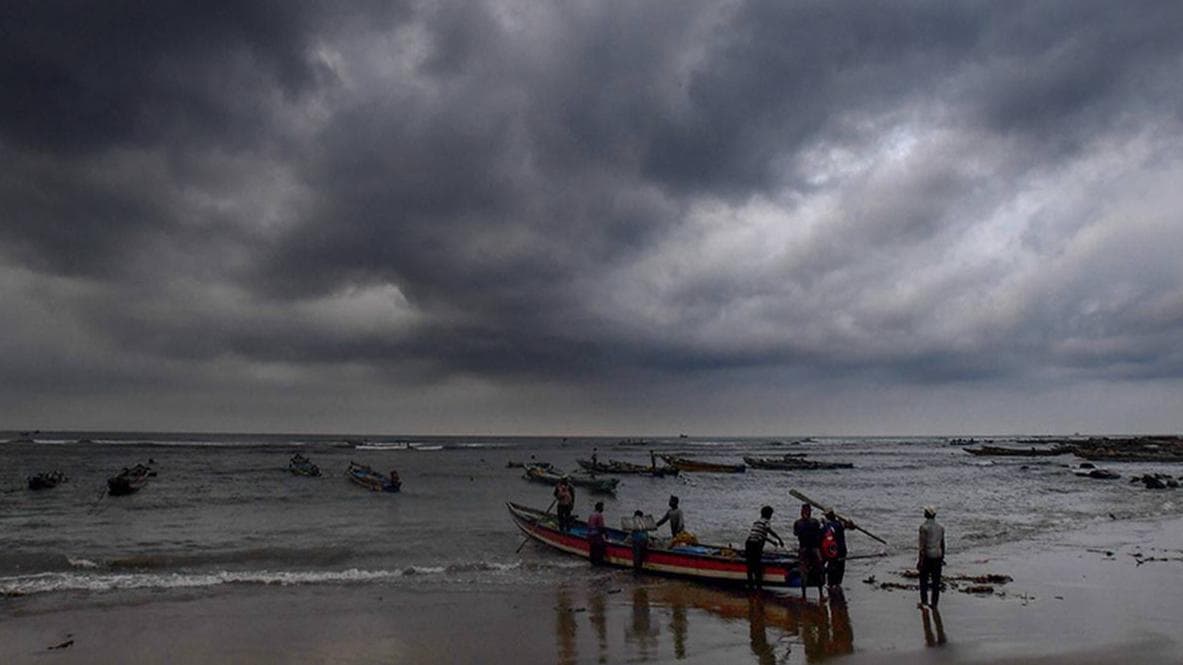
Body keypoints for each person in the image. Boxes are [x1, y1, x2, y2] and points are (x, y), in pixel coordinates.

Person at [745, 506, 784, 589]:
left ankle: (750, 584)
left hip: (749, 543)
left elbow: (762, 535)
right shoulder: (766, 522)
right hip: (755, 544)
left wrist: (772, 542)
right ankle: (758, 585)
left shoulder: (757, 522)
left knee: (750, 564)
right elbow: (769, 531)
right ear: (769, 515)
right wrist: (779, 539)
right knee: (757, 564)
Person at [793, 504, 825, 599]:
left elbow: (796, 533)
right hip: (813, 549)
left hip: (805, 549)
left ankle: (804, 595)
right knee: (818, 571)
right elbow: (819, 533)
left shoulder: (798, 523)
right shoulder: (814, 522)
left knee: (805, 571)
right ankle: (820, 594)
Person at [918, 505, 946, 608]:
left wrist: (920, 561)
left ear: (927, 514)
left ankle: (924, 601)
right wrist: (942, 558)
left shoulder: (923, 528)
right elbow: (943, 545)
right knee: (936, 582)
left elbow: (922, 547)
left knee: (923, 580)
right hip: (938, 556)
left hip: (927, 557)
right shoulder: (941, 528)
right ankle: (934, 603)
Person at [822, 508, 854, 588]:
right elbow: (851, 526)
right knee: (840, 567)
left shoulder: (828, 526)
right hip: (841, 550)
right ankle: (837, 584)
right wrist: (849, 523)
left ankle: (831, 584)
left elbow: (823, 535)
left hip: (833, 551)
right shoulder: (839, 524)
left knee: (832, 568)